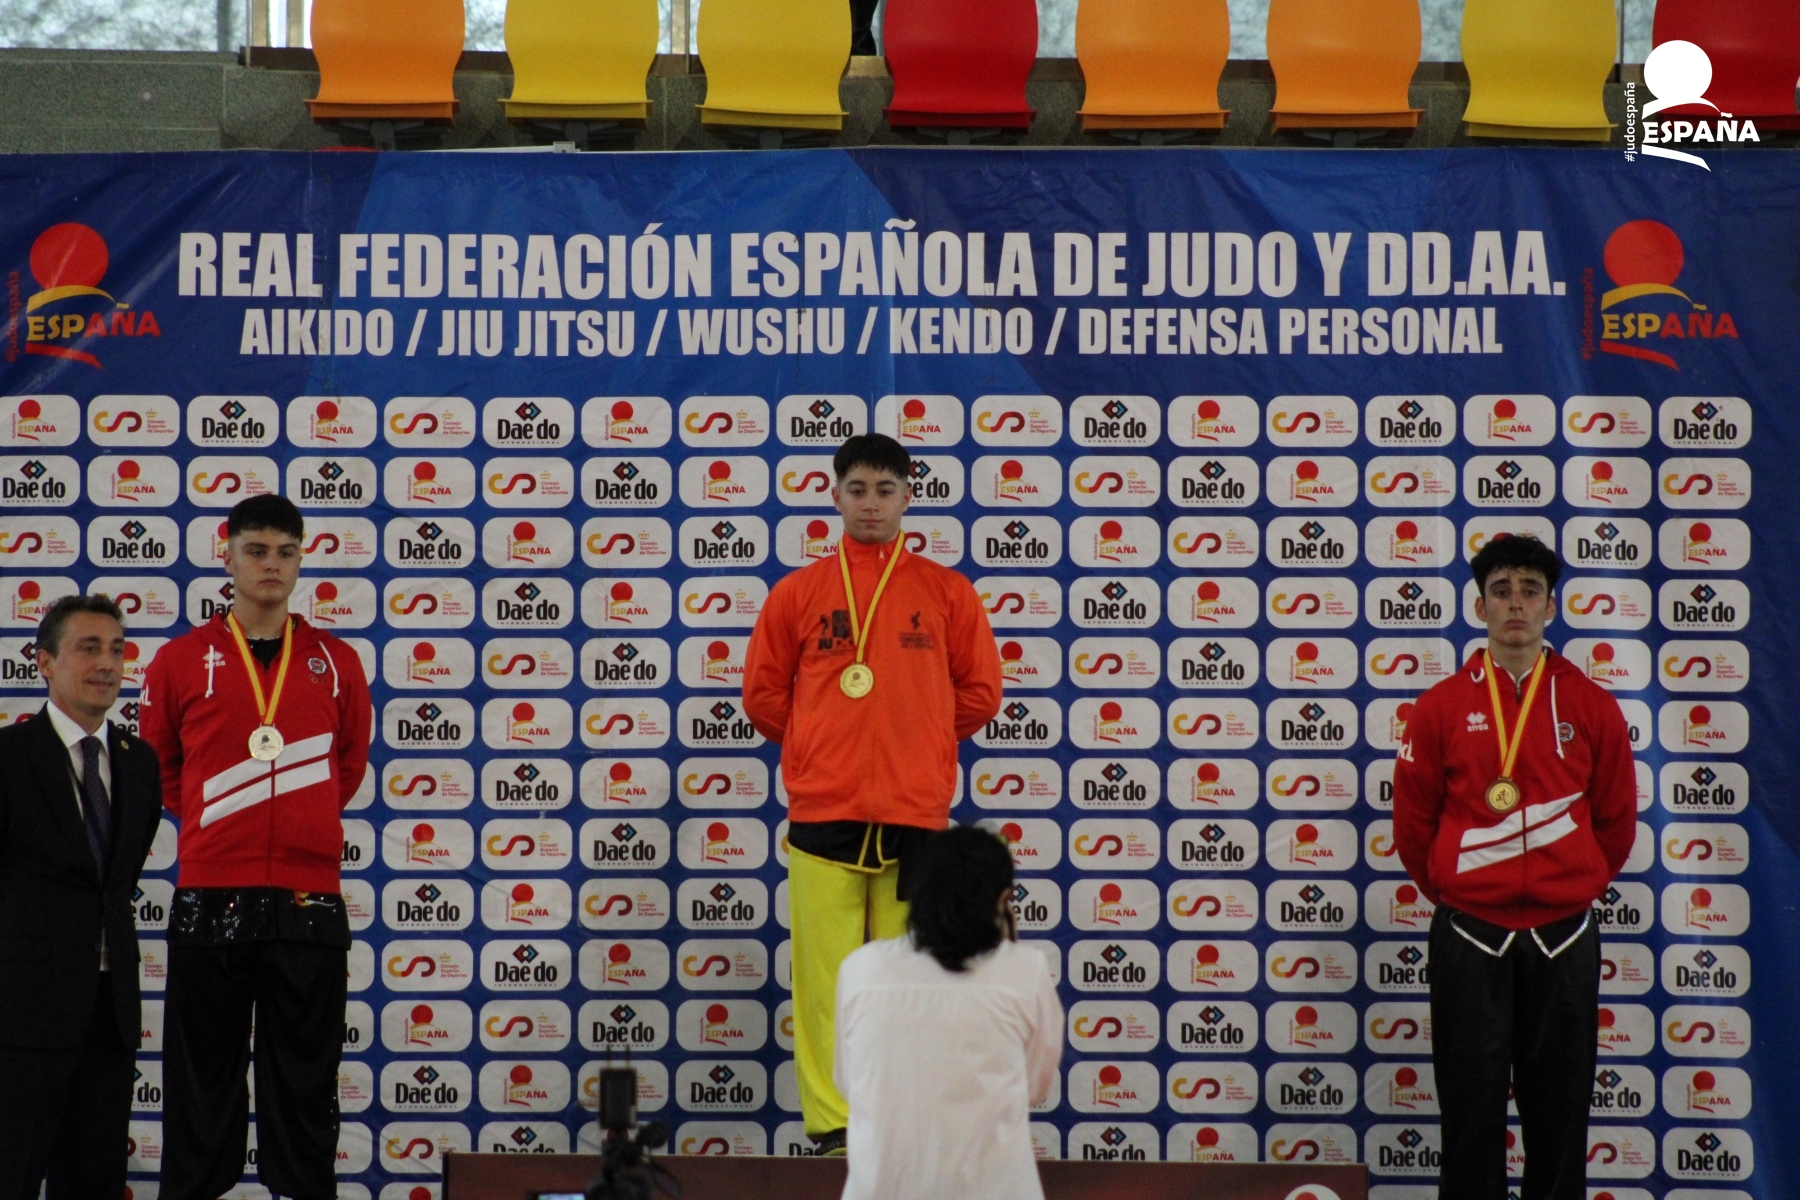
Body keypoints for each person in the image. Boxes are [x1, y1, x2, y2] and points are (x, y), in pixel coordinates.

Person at [742, 433, 1003, 1154]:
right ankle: (832, 1124)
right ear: (834, 495)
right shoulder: (798, 593)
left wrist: (918, 738)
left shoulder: (947, 591)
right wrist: (818, 745)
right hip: (822, 810)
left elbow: (981, 692)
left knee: (906, 986)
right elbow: (763, 695)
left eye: (886, 490)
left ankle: (897, 1121)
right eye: (857, 489)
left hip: (915, 813)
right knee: (824, 983)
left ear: (908, 497)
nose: (870, 504)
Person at [141, 494, 372, 1200]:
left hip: (308, 897)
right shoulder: (181, 659)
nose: (271, 565)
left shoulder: (336, 661)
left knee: (306, 1082)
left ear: (301, 560)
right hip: (210, 890)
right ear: (228, 556)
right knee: (200, 1080)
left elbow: (348, 766)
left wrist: (300, 827)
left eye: (285, 552)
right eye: (256, 551)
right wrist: (221, 827)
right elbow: (161, 766)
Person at [1393, 534, 1636, 1200]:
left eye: (1530, 591)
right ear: (1480, 607)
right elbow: (1414, 826)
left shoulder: (1592, 705)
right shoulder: (1441, 706)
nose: (1516, 604)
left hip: (1564, 934)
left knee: (1560, 1117)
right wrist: (1461, 891)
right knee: (1469, 1117)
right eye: (1501, 591)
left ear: (1551, 606)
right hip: (1470, 934)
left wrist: (1572, 883)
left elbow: (1616, 821)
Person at [0, 594, 162, 1200]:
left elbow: (118, 879)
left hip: (110, 1014)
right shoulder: (9, 757)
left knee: (95, 1181)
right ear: (44, 662)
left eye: (117, 650)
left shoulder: (140, 762)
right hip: (21, 1015)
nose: (107, 664)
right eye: (88, 648)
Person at [834, 826, 1061, 1200]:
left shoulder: (860, 968)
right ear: (1002, 899)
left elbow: (849, 1083)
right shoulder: (1025, 969)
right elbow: (1034, 1087)